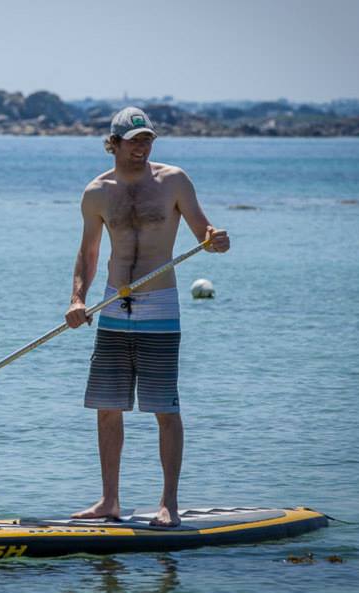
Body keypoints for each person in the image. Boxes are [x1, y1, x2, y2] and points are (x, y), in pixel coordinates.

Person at [65, 107, 230, 527]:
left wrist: (215, 240)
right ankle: (109, 501)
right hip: (112, 307)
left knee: (164, 408)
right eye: (134, 140)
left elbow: (203, 232)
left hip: (159, 306)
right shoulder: (96, 192)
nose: (142, 146)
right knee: (107, 408)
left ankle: (168, 504)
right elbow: (87, 253)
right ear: (113, 143)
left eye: (147, 139)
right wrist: (77, 300)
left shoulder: (173, 180)